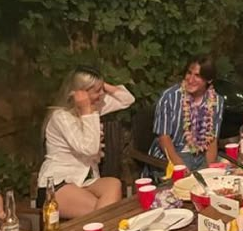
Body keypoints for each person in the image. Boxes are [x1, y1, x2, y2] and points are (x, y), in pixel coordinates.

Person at [37, 66, 134, 219]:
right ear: (79, 93)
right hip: (57, 183)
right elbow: (89, 148)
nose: (101, 94)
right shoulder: (61, 117)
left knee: (114, 185)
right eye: (96, 91)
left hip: (83, 180)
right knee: (104, 212)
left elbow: (127, 99)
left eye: (101, 89)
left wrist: (100, 85)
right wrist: (88, 111)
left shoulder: (93, 106)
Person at [149, 55, 223, 172]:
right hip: (172, 155)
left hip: (201, 155)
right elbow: (164, 138)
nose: (190, 79)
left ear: (209, 80)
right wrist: (180, 167)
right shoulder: (169, 97)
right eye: (189, 73)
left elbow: (212, 140)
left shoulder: (216, 101)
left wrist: (211, 170)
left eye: (197, 75)